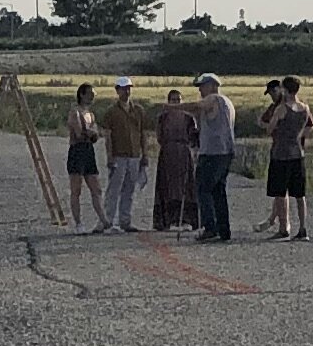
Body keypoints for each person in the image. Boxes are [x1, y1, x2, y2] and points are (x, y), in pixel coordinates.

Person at [262, 73, 313, 238]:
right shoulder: (305, 108)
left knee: (280, 192)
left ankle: (284, 227)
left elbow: (270, 128)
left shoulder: (282, 108)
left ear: (284, 89)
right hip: (298, 152)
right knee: (299, 194)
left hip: (281, 152)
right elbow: (308, 127)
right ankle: (303, 228)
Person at [99, 76, 154, 232]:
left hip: (134, 155)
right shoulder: (111, 112)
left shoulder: (138, 110)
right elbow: (108, 136)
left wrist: (145, 154)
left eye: (129, 88)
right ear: (117, 90)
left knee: (129, 190)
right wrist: (109, 156)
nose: (127, 91)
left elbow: (143, 133)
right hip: (119, 155)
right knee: (114, 190)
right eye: (124, 88)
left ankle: (125, 220)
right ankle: (108, 220)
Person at [189, 73, 236, 241]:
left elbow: (196, 106)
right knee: (218, 190)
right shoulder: (228, 103)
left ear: (212, 85)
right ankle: (224, 229)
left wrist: (172, 107)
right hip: (226, 152)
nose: (200, 90)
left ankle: (210, 226)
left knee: (203, 188)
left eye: (202, 86)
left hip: (213, 153)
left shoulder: (214, 99)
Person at [153, 85, 198, 231]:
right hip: (167, 153)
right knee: (168, 186)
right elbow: (159, 136)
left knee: (185, 186)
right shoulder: (163, 118)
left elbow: (194, 137)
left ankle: (186, 219)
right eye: (173, 100)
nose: (176, 103)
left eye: (178, 100)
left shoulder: (188, 118)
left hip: (184, 152)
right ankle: (168, 220)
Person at [64, 82, 104, 232]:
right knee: (76, 189)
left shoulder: (91, 115)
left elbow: (95, 134)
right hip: (77, 152)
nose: (92, 98)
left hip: (88, 152)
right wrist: (91, 133)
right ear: (82, 94)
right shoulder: (75, 113)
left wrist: (92, 133)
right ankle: (78, 223)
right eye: (90, 94)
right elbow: (80, 133)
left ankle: (103, 219)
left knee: (96, 188)